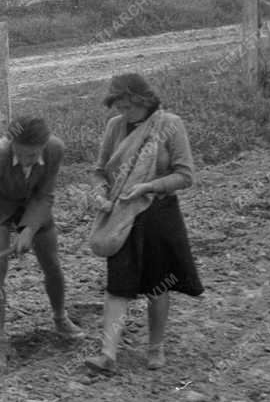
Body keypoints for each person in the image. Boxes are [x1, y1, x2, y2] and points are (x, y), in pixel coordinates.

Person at [84, 73, 203, 375]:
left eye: (129, 107)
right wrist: (99, 194)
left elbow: (185, 175)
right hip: (122, 215)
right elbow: (99, 171)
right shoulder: (115, 127)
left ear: (144, 100)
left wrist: (149, 187)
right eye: (119, 107)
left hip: (157, 214)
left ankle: (155, 347)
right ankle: (107, 354)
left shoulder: (170, 125)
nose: (124, 113)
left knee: (157, 283)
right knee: (118, 285)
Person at [0, 114, 84, 364]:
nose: (24, 160)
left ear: (43, 146)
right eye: (19, 154)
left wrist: (29, 230)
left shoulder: (55, 149)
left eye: (31, 156)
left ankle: (60, 318)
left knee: (51, 262)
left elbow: (46, 194)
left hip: (33, 203)